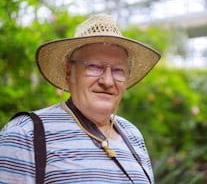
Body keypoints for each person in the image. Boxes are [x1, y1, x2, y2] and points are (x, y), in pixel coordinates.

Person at [0, 14, 160, 183]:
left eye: (118, 70)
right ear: (70, 72)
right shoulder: (25, 133)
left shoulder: (133, 135)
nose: (107, 81)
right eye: (95, 66)